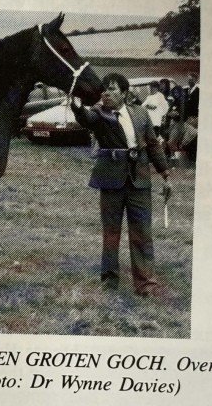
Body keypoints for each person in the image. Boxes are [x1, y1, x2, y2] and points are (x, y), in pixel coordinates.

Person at [71, 73, 171, 296]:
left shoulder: (140, 113)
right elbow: (86, 119)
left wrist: (165, 173)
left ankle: (146, 283)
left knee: (142, 233)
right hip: (111, 180)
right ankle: (109, 280)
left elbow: (153, 144)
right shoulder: (98, 113)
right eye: (104, 89)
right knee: (111, 232)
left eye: (112, 89)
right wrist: (77, 107)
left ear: (124, 93)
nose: (106, 93)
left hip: (140, 180)